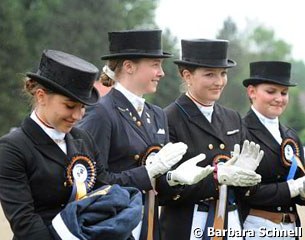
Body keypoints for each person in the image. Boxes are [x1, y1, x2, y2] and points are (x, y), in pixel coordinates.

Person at [0, 49, 186, 240]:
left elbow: (107, 188)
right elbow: (25, 221)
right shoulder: (13, 148)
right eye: (69, 106)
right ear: (41, 96)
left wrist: (164, 175)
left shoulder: (82, 139)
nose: (77, 116)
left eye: (82, 107)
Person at [77, 30, 218, 240]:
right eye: (154, 64)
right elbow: (93, 181)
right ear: (128, 66)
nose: (161, 73)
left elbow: (159, 185)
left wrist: (173, 178)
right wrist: (148, 172)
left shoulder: (157, 114)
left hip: (150, 227)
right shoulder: (102, 113)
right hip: (115, 226)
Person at [157, 39, 263, 240]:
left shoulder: (232, 117)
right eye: (210, 74)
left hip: (231, 220)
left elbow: (246, 189)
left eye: (223, 73)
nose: (219, 81)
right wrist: (216, 179)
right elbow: (163, 188)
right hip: (190, 223)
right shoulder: (169, 117)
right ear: (187, 75)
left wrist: (246, 177)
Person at [241, 61, 305, 239]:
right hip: (256, 226)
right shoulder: (240, 131)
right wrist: (290, 188)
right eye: (271, 91)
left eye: (284, 93)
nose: (279, 98)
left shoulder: (291, 136)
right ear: (252, 91)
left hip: (291, 227)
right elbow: (245, 192)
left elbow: (300, 190)